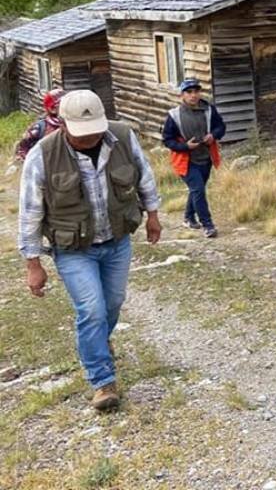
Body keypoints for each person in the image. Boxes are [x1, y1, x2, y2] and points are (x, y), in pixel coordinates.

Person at [18, 89, 161, 411]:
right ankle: (102, 381)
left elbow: (145, 177)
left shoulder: (122, 137)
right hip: (73, 250)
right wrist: (33, 264)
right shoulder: (42, 154)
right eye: (81, 134)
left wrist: (153, 216)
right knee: (92, 310)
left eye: (95, 130)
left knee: (112, 304)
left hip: (117, 241)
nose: (90, 138)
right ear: (63, 124)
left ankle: (98, 340)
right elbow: (30, 212)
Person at [162, 78, 226, 238]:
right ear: (182, 95)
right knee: (198, 190)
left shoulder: (209, 110)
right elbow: (167, 140)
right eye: (189, 92)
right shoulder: (174, 115)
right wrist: (185, 147)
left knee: (197, 190)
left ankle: (189, 218)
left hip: (206, 158)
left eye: (196, 91)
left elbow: (221, 126)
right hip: (186, 161)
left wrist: (213, 135)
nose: (193, 95)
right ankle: (208, 225)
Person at [15, 88, 66, 161]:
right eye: (62, 105)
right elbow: (22, 147)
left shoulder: (72, 124)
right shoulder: (40, 127)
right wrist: (31, 163)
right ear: (52, 109)